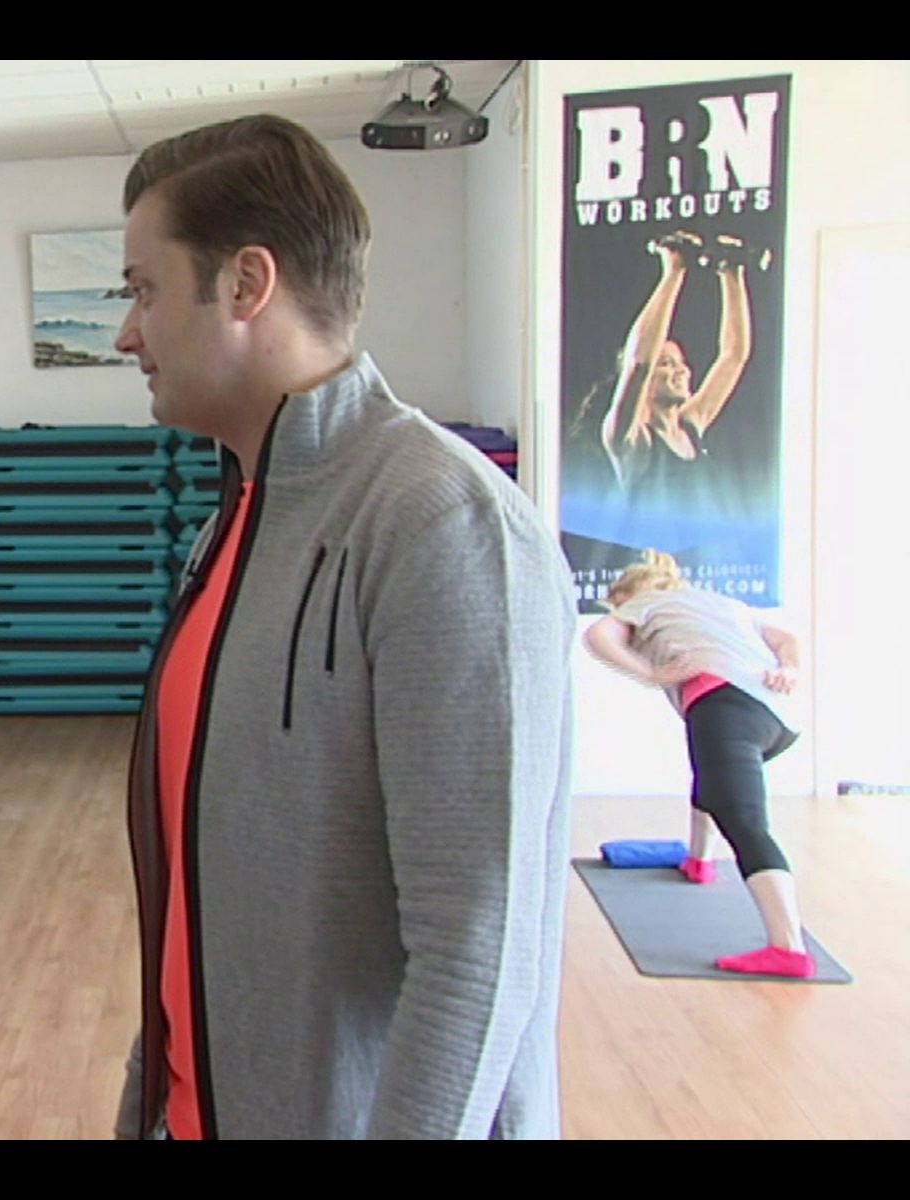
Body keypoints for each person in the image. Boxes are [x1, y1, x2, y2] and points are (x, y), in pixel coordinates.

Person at [109, 114, 577, 1140]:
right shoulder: (231, 527)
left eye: (145, 290)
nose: (126, 335)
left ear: (246, 284)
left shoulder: (442, 526)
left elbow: (476, 952)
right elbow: (197, 887)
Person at [583, 550, 813, 978]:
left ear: (628, 594)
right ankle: (700, 861)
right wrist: (790, 668)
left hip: (725, 704)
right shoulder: (723, 604)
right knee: (714, 781)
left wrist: (650, 674)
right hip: (779, 716)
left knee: (744, 822)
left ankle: (789, 948)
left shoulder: (646, 602)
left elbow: (597, 636)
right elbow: (787, 639)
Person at [599, 230, 760, 507]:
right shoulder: (631, 440)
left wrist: (732, 272)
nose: (682, 370)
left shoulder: (690, 425)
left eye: (681, 362)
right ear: (646, 384)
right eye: (667, 364)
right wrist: (674, 272)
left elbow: (734, 356)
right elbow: (639, 364)